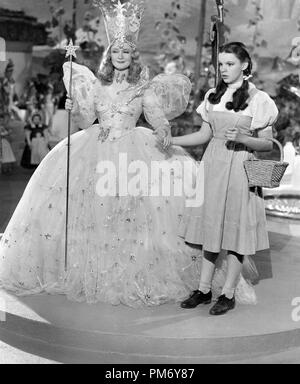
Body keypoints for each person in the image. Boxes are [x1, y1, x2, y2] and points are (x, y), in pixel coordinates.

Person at [0, 0, 202, 307]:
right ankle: (86, 266)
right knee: (87, 207)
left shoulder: (141, 88)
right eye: (116, 51)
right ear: (110, 56)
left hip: (133, 151)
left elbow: (157, 119)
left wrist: (163, 131)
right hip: (95, 147)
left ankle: (130, 268)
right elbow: (85, 121)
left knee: (134, 209)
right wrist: (73, 107)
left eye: (126, 52)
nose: (120, 56)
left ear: (133, 56)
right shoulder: (96, 86)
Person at [164, 42, 279, 315]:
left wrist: (244, 138)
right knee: (210, 226)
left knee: (235, 230)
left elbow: (268, 145)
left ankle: (227, 293)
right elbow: (204, 136)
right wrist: (172, 140)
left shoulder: (259, 99)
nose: (224, 69)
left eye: (230, 64)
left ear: (245, 65)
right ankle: (204, 289)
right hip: (212, 166)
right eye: (221, 64)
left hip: (240, 166)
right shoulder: (213, 95)